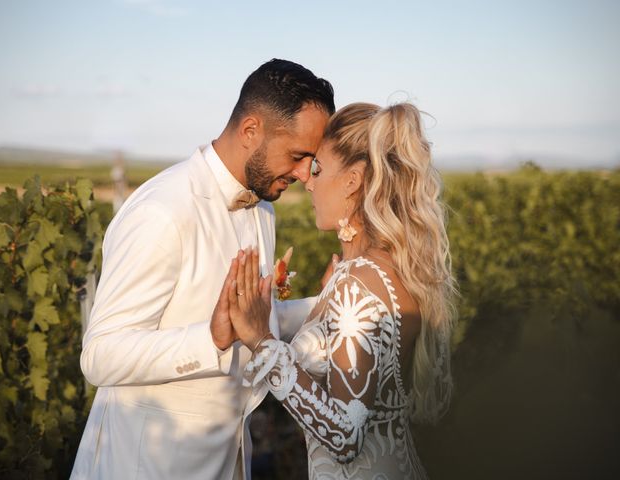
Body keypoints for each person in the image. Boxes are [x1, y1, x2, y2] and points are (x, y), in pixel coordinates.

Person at [70, 59, 335, 480]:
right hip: (145, 467)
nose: (306, 175)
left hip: (229, 463)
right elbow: (100, 356)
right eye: (298, 156)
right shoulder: (163, 211)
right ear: (251, 131)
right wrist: (208, 339)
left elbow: (249, 322)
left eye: (312, 160)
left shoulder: (262, 206)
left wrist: (328, 302)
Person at [226, 102, 456, 479]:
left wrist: (262, 341)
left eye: (318, 169)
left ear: (353, 179)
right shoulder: (391, 268)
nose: (309, 182)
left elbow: (345, 435)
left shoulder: (358, 281)